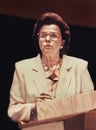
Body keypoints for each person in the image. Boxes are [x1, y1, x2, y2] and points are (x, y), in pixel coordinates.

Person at [7, 12, 94, 127]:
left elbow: (91, 106)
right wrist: (36, 109)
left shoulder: (79, 67)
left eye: (53, 35)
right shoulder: (22, 68)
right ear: (38, 40)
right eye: (43, 35)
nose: (47, 39)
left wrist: (59, 107)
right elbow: (13, 111)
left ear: (62, 43)